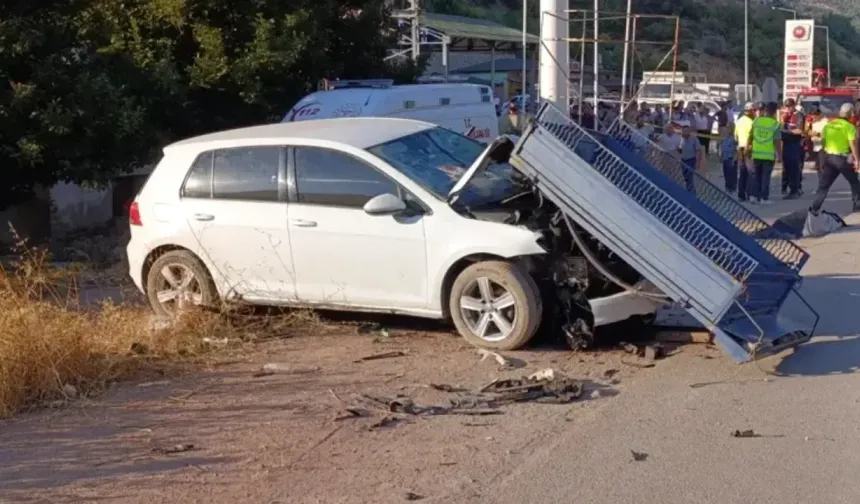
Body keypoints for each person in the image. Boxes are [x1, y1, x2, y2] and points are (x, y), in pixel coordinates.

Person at [812, 102, 860, 213]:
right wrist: (857, 160)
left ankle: (814, 208)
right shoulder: (849, 127)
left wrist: (824, 158)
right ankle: (857, 206)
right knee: (854, 182)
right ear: (850, 114)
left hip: (830, 159)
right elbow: (852, 144)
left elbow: (823, 143)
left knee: (823, 186)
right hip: (843, 159)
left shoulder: (828, 125)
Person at [747, 101, 782, 205]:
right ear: (775, 112)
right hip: (768, 155)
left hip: (756, 153)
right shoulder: (775, 124)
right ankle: (763, 198)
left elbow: (750, 135)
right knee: (765, 177)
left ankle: (753, 196)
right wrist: (779, 155)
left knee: (755, 176)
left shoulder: (757, 121)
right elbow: (777, 142)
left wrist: (748, 147)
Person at [780, 98, 805, 199]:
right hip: (786, 144)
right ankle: (788, 188)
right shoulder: (785, 116)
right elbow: (781, 128)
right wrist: (782, 121)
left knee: (794, 168)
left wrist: (787, 132)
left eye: (790, 106)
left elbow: (799, 130)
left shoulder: (798, 115)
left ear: (794, 105)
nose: (788, 108)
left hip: (794, 144)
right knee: (787, 168)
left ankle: (795, 190)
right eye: (786, 106)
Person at [734, 102, 756, 202]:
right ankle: (751, 194)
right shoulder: (752, 122)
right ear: (751, 111)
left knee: (742, 173)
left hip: (740, 149)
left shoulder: (739, 121)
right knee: (751, 172)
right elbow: (753, 137)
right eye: (754, 110)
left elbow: (736, 136)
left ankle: (741, 195)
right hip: (749, 149)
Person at [680, 123, 704, 193]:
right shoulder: (681, 138)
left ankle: (692, 192)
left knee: (689, 177)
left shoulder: (694, 139)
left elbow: (698, 151)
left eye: (686, 131)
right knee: (686, 177)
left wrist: (698, 162)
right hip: (683, 160)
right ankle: (688, 190)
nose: (684, 132)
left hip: (691, 160)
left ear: (689, 131)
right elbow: (679, 149)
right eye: (683, 131)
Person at [718, 125, 738, 195]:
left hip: (731, 158)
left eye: (727, 129)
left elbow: (736, 150)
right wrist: (721, 157)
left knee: (731, 175)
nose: (725, 130)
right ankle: (727, 188)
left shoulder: (733, 139)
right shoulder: (724, 139)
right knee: (726, 174)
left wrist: (734, 159)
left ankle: (732, 189)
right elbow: (723, 149)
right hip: (725, 159)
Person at [808, 107, 827, 172]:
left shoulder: (825, 122)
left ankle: (823, 178)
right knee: (818, 165)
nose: (813, 117)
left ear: (819, 114)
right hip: (815, 145)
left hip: (822, 146)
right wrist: (809, 132)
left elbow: (826, 134)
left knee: (822, 165)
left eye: (815, 115)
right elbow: (809, 130)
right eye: (812, 115)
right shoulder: (813, 122)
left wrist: (817, 134)